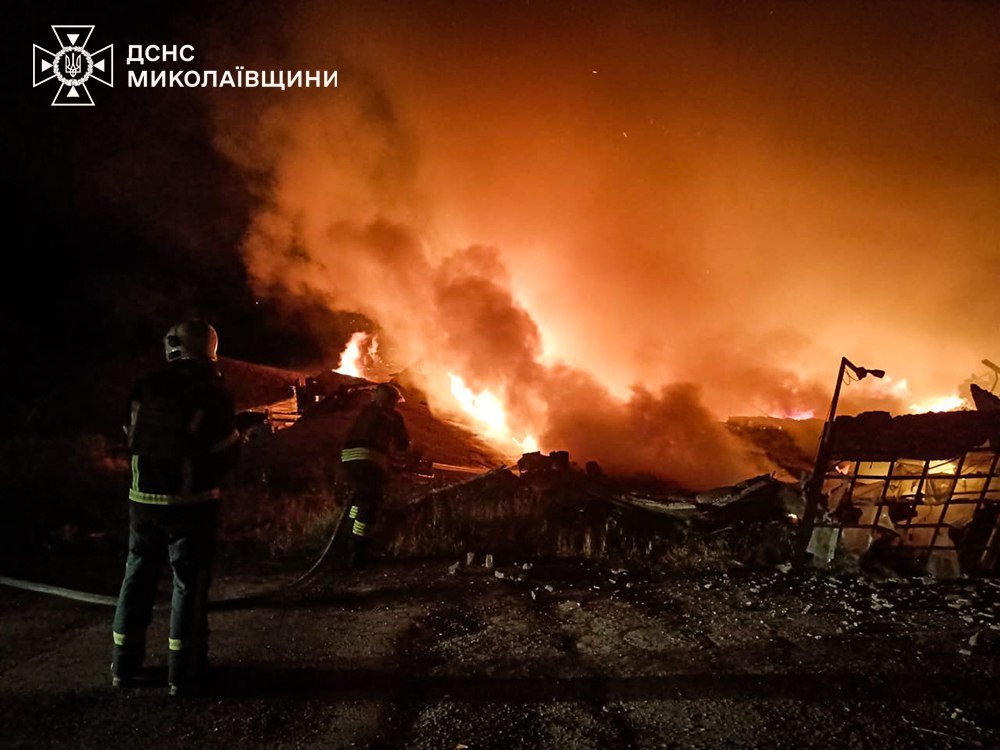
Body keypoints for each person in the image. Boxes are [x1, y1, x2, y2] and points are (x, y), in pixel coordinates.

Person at [110, 320, 239, 695]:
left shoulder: (145, 385)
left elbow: (128, 433)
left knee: (136, 576)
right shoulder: (213, 392)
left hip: (142, 501)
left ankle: (123, 665)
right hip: (192, 504)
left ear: (170, 347)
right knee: (188, 583)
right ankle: (183, 672)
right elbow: (224, 452)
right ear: (209, 349)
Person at [337, 382, 410, 568]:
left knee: (358, 499)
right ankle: (358, 552)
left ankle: (345, 541)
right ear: (391, 401)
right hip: (370, 459)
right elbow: (403, 444)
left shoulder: (364, 411)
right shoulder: (393, 416)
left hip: (348, 458)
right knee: (371, 503)